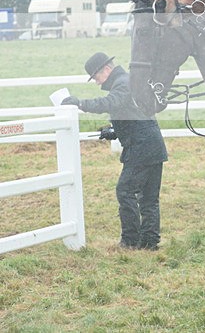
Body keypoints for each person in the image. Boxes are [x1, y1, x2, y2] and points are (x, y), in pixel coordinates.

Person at [62, 52, 168, 250]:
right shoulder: (127, 81)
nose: (96, 82)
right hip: (152, 144)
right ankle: (149, 242)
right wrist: (114, 130)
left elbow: (110, 103)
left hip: (141, 146)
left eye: (96, 77)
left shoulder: (121, 83)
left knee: (125, 190)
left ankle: (130, 240)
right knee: (148, 197)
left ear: (106, 70)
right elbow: (131, 112)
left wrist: (80, 103)